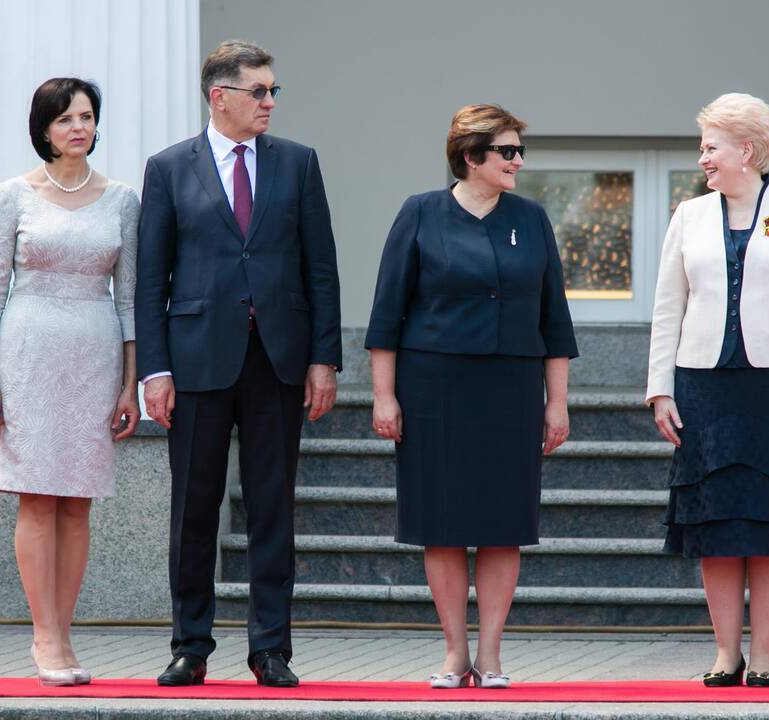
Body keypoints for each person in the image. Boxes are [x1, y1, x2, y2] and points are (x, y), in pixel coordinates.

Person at [135, 40, 341, 688]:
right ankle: (190, 646)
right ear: (219, 96)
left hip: (277, 360)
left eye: (274, 90)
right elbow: (150, 281)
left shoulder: (299, 164)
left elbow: (321, 271)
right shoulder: (169, 169)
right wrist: (154, 370)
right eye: (260, 91)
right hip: (195, 362)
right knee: (193, 510)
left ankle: (270, 647)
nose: (271, 102)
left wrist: (323, 361)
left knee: (273, 508)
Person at [365, 104, 578, 689]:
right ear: (470, 157)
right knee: (442, 523)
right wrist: (385, 397)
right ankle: (454, 652)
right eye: (506, 151)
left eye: (519, 151)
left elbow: (553, 317)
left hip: (511, 388)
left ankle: (491, 654)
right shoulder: (420, 214)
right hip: (433, 388)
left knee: (503, 523)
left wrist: (555, 402)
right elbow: (386, 315)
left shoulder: (531, 218)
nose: (517, 161)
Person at [646, 93, 769, 687]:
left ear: (748, 150)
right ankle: (724, 653)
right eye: (703, 146)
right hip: (704, 389)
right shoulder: (688, 215)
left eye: (711, 146)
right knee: (715, 525)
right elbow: (667, 309)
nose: (703, 157)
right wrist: (660, 389)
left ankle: (763, 653)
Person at [0, 78, 140, 686]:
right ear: (44, 128)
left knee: (77, 502)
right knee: (37, 495)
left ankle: (65, 635)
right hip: (28, 351)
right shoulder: (12, 195)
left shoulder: (122, 199)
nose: (79, 127)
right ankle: (44, 637)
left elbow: (130, 298)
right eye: (66, 117)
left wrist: (130, 384)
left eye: (88, 116)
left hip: (94, 354)